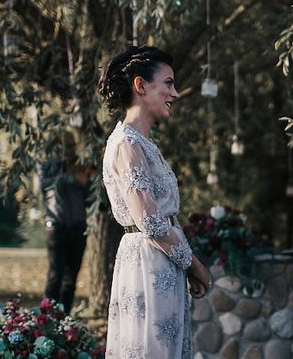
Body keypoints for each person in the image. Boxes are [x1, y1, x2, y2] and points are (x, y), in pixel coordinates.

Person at [97, 45, 210, 359]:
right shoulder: (126, 144)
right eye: (168, 83)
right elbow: (150, 221)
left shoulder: (144, 144)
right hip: (146, 262)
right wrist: (195, 265)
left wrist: (183, 265)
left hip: (162, 261)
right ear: (141, 86)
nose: (175, 93)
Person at [38, 129, 93, 314]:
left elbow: (89, 199)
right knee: (56, 275)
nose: (70, 150)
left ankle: (64, 322)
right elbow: (43, 185)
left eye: (72, 145)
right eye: (66, 146)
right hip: (57, 226)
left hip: (78, 227)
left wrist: (86, 182)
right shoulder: (48, 166)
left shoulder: (81, 165)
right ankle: (46, 320)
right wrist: (69, 175)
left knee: (71, 280)